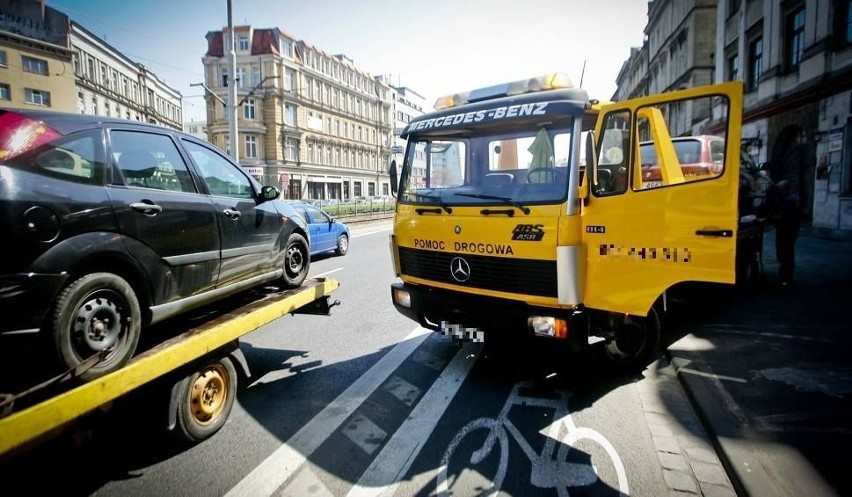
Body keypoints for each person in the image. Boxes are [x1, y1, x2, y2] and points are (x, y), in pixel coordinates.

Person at [769, 179, 800, 286]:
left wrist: (769, 218)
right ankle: (785, 277)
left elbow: (781, 215)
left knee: (785, 255)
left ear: (786, 189)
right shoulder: (786, 198)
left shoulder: (789, 200)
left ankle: (785, 278)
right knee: (785, 255)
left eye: (781, 188)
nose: (779, 190)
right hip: (785, 231)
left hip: (787, 232)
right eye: (779, 188)